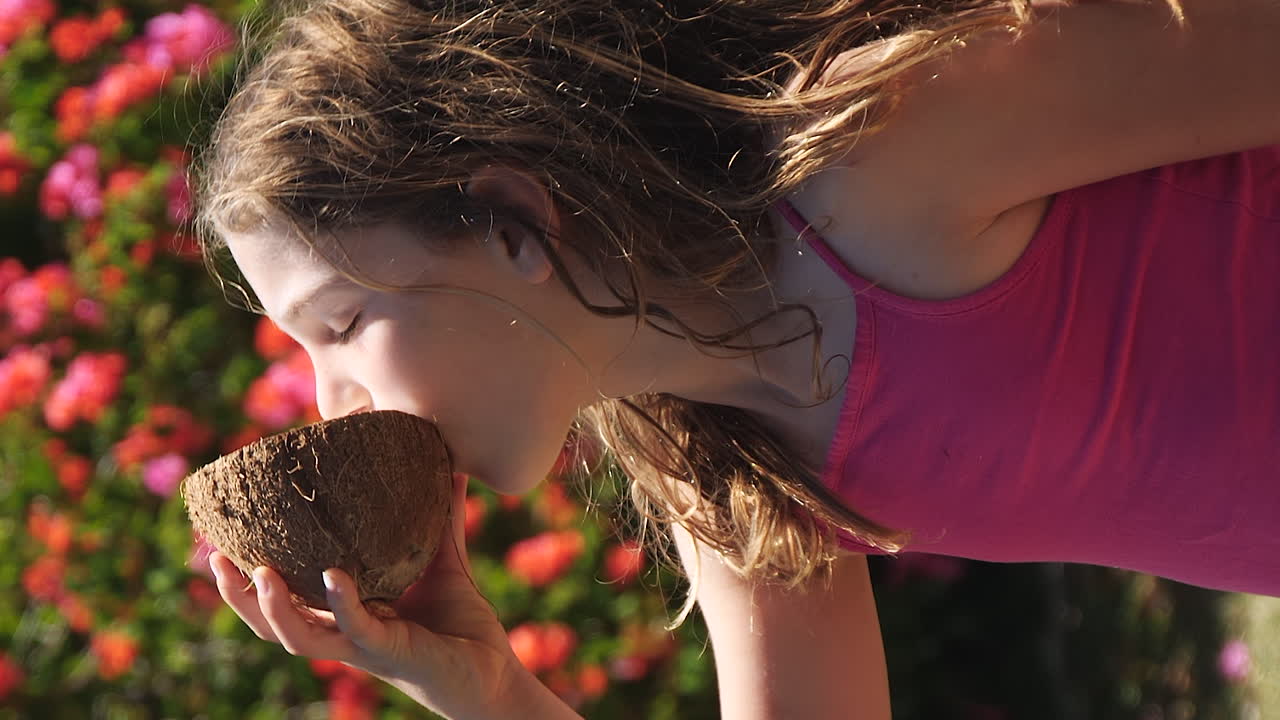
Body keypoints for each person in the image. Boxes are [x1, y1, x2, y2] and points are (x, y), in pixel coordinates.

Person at [194, 0, 1279, 716]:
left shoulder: (876, 159)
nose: (327, 405)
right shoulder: (728, 472)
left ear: (510, 223)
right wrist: (488, 690)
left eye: (335, 326)